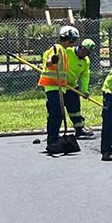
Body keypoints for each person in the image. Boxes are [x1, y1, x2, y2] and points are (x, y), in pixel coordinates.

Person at [39, 25, 82, 154]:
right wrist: (53, 61)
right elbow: (48, 62)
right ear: (70, 39)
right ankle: (52, 141)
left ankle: (54, 138)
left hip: (57, 87)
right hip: (53, 86)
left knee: (56, 113)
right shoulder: (57, 48)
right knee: (56, 114)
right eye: (73, 40)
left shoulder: (63, 50)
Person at [65, 37, 97, 138]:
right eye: (87, 52)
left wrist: (84, 90)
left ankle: (79, 129)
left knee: (75, 109)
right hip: (58, 85)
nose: (87, 55)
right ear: (81, 48)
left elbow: (85, 76)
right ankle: (53, 134)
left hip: (72, 86)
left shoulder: (85, 61)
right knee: (55, 110)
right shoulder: (67, 51)